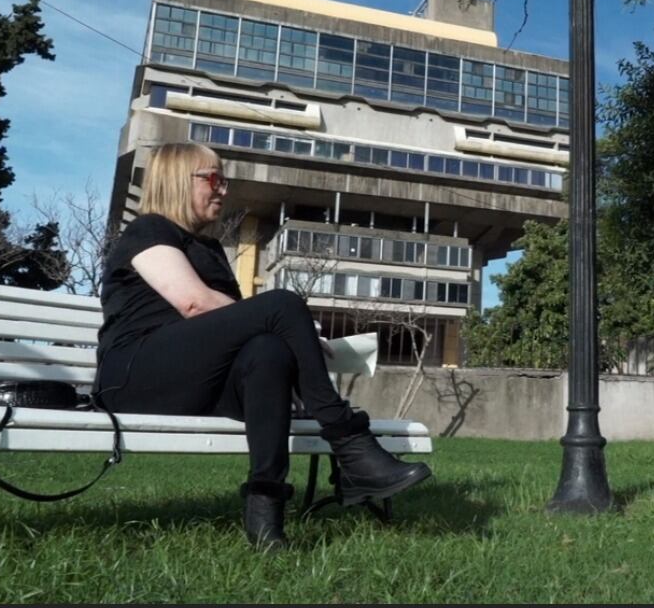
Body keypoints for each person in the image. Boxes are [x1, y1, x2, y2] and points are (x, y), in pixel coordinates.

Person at [94, 142, 431, 548]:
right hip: (135, 375)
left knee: (268, 349)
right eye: (213, 179)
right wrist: (292, 321)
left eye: (225, 181)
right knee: (283, 305)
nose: (223, 190)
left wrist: (295, 339)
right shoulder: (149, 229)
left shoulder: (212, 249)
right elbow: (194, 302)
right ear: (176, 181)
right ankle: (350, 444)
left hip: (194, 382)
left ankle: (265, 514)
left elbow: (242, 325)